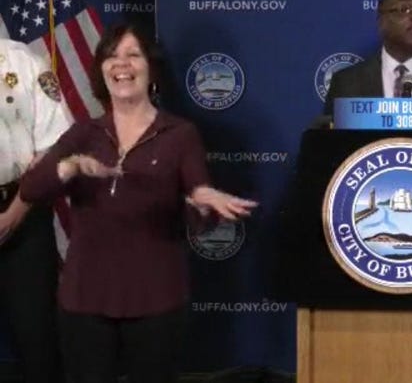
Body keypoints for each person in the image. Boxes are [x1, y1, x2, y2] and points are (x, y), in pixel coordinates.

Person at [19, 22, 258, 383]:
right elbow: (32, 190)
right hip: (86, 298)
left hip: (156, 298)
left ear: (151, 68)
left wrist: (203, 202)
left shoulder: (180, 135)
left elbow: (200, 210)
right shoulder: (84, 133)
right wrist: (68, 167)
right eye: (112, 56)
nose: (122, 64)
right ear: (101, 70)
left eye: (133, 55)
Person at [0, 39, 67, 382]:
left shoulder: (24, 60)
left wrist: (16, 210)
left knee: (37, 337)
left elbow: (56, 145)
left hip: (24, 211)